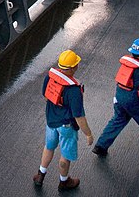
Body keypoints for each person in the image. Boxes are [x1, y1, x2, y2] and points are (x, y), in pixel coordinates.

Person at [33, 49, 94, 191]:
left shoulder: (50, 77)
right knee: (65, 156)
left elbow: (46, 95)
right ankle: (64, 182)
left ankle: (40, 176)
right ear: (73, 68)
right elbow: (79, 116)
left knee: (49, 147)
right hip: (66, 126)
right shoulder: (74, 90)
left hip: (51, 121)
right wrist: (88, 134)